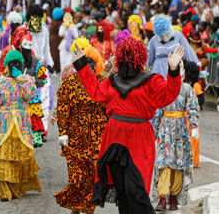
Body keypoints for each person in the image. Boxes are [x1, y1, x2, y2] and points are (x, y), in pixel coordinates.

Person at [72, 38, 185, 213]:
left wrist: (173, 70)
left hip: (136, 138)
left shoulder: (151, 80)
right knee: (123, 190)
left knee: (135, 189)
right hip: (115, 137)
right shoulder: (113, 81)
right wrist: (81, 64)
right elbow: (96, 92)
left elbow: (168, 95)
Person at [0, 50, 42, 201]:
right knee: (5, 157)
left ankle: (18, 187)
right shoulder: (0, 83)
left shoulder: (26, 80)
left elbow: (32, 94)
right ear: (7, 66)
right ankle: (5, 191)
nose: (15, 66)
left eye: (18, 63)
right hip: (4, 125)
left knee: (21, 158)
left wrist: (21, 78)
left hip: (22, 126)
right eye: (12, 64)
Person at [54, 46, 106, 214]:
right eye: (86, 62)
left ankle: (89, 208)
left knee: (92, 175)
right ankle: (76, 207)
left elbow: (110, 107)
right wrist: (63, 132)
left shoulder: (102, 82)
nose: (89, 66)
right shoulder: (69, 83)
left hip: (97, 135)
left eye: (92, 63)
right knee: (77, 176)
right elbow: (63, 108)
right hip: (75, 135)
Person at [153, 62, 200, 211]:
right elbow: (158, 110)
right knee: (164, 163)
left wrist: (194, 126)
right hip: (165, 131)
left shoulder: (187, 89)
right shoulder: (163, 87)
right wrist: (154, 132)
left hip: (180, 131)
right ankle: (162, 198)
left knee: (178, 165)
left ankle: (173, 198)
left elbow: (193, 108)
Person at [12, 26, 48, 147]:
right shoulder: (16, 60)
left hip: (32, 97)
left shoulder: (37, 62)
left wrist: (33, 81)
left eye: (29, 48)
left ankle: (35, 138)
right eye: (24, 48)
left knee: (33, 118)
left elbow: (43, 80)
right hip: (18, 97)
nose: (27, 52)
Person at [26, 4, 54, 140]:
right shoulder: (25, 30)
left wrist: (50, 64)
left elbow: (46, 49)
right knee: (29, 98)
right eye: (33, 17)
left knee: (44, 99)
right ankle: (29, 128)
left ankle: (42, 130)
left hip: (42, 67)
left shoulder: (44, 30)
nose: (36, 20)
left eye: (38, 17)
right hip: (28, 67)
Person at [148, 15, 200, 79]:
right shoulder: (154, 40)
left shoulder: (178, 35)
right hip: (157, 74)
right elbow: (148, 58)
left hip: (175, 71)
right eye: (162, 36)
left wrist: (197, 67)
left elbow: (188, 52)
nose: (164, 37)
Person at [184, 60, 203, 168]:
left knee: (193, 137)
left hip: (192, 115)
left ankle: (191, 158)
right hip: (183, 115)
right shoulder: (182, 85)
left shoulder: (195, 86)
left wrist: (193, 103)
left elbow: (201, 99)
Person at [50, 7, 64, 75]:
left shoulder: (53, 22)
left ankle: (54, 68)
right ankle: (56, 69)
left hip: (52, 39)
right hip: (57, 39)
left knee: (53, 53)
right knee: (57, 54)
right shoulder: (60, 23)